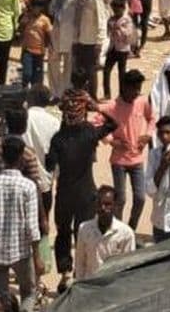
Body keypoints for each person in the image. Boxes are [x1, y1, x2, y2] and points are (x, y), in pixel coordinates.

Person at [47, 90, 118, 291]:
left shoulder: (58, 139)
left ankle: (65, 273)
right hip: (86, 195)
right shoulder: (89, 133)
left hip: (64, 195)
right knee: (83, 235)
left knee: (63, 233)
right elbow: (113, 124)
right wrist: (97, 107)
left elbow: (50, 164)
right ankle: (81, 274)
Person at [0, 137, 42, 312]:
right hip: (21, 252)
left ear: (3, 158)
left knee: (0, 297)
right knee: (28, 294)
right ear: (22, 158)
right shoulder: (28, 186)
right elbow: (31, 226)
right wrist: (37, 256)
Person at [98, 70, 154, 230]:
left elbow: (152, 118)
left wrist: (148, 135)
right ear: (124, 87)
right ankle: (117, 229)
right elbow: (96, 122)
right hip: (119, 161)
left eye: (138, 88)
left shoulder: (142, 102)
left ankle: (131, 228)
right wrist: (111, 141)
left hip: (137, 159)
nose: (136, 92)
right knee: (120, 199)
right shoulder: (112, 106)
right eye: (134, 88)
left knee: (140, 198)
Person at [73, 185, 135, 281]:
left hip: (113, 286)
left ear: (115, 206)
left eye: (107, 204)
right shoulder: (84, 229)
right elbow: (80, 262)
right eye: (99, 204)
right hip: (90, 286)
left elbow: (129, 267)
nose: (102, 208)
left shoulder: (126, 234)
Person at [66, 0, 109, 99]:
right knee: (80, 70)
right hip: (80, 41)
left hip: (91, 42)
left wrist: (99, 42)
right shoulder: (79, 0)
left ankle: (93, 97)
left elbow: (102, 21)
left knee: (91, 71)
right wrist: (74, 41)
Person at [103, 0, 136, 99]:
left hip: (122, 49)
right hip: (112, 47)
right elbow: (108, 33)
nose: (116, 11)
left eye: (118, 9)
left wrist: (119, 28)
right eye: (114, 9)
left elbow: (129, 34)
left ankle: (122, 94)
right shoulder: (112, 19)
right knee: (106, 70)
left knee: (121, 73)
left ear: (122, 8)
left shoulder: (127, 20)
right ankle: (107, 93)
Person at [18, 0, 53, 90]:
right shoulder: (27, 17)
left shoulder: (45, 20)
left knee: (37, 78)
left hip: (39, 51)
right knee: (27, 73)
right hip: (27, 50)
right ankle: (23, 91)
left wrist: (48, 47)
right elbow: (20, 29)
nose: (36, 9)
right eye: (34, 7)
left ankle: (36, 96)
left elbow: (49, 34)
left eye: (38, 7)